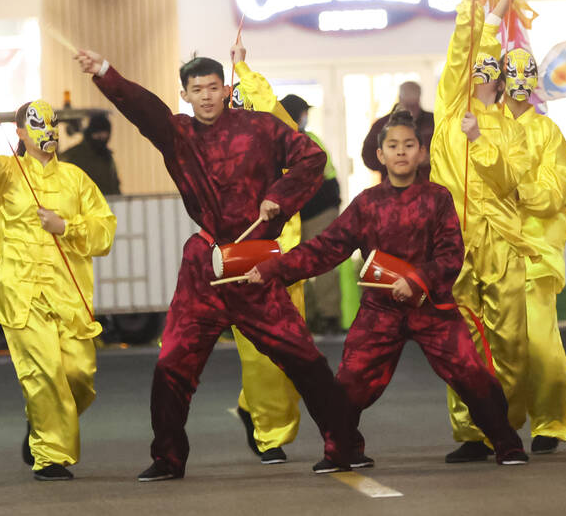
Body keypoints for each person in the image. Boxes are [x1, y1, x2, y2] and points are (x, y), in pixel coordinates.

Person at [75, 49, 357, 480]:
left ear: (226, 90)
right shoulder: (178, 134)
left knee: (303, 358)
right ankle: (167, 458)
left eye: (213, 88)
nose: (205, 97)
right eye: (196, 90)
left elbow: (311, 158)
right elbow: (141, 108)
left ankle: (343, 445)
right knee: (172, 364)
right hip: (204, 268)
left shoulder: (262, 127)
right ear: (185, 94)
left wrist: (279, 197)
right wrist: (105, 73)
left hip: (256, 267)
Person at [244, 110, 528, 467]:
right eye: (393, 146)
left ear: (421, 152)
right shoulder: (367, 203)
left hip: (432, 307)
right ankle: (343, 450)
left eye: (409, 145)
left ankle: (506, 443)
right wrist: (273, 269)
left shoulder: (438, 198)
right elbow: (325, 249)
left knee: (472, 375)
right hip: (380, 311)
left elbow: (451, 255)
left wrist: (417, 281)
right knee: (349, 382)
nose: (401, 152)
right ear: (380, 155)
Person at [0, 76, 116, 480]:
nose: (47, 132)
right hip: (22, 293)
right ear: (20, 132)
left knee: (79, 375)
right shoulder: (3, 174)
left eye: (51, 124)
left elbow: (104, 231)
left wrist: (67, 225)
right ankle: (50, 455)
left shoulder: (77, 179)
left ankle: (42, 421)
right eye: (37, 124)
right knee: (44, 372)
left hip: (69, 294)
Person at [431, 0, 530, 463]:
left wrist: (481, 143)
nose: (479, 69)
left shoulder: (509, 124)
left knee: (510, 338)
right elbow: (464, 46)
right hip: (452, 243)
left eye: (490, 64)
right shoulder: (449, 109)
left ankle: (505, 425)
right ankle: (472, 430)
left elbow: (515, 181)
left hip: (502, 239)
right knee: (460, 340)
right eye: (475, 65)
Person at [225, 46, 311, 465]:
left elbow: (282, 119)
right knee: (258, 352)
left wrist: (243, 66)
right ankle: (267, 434)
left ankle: (253, 409)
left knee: (293, 353)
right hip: (244, 259)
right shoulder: (214, 155)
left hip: (287, 261)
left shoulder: (283, 151)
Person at [500, 46, 566, 455]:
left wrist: (524, 192)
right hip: (489, 254)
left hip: (534, 252)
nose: (519, 80)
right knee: (490, 348)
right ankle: (487, 427)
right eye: (511, 72)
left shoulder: (546, 132)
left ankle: (549, 422)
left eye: (525, 71)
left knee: (541, 344)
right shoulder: (480, 127)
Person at [280, 93, 344, 334]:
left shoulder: (309, 139)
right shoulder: (284, 142)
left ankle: (326, 318)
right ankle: (311, 317)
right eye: (303, 113)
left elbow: (327, 177)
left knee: (321, 266)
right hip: (296, 218)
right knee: (297, 269)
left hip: (317, 214)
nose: (306, 117)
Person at [361, 82, 434, 178]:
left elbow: (448, 153)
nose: (410, 110)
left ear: (419, 99)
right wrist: (392, 162)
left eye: (413, 105)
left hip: (427, 184)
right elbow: (368, 156)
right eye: (407, 105)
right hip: (392, 188)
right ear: (400, 99)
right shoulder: (382, 125)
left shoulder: (433, 122)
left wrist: (431, 159)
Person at [59, 113, 121, 196]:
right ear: (91, 133)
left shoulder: (107, 156)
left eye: (105, 133)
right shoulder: (74, 156)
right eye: (98, 133)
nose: (102, 137)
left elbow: (114, 185)